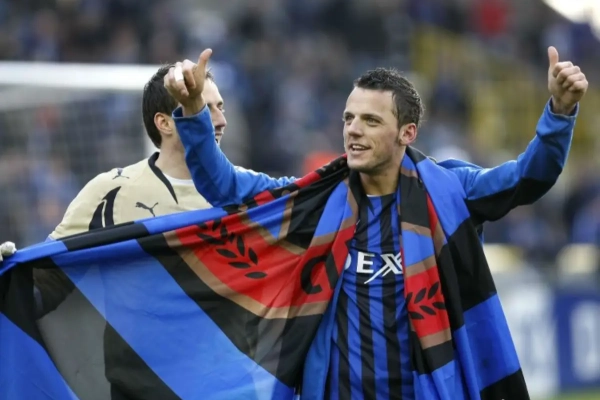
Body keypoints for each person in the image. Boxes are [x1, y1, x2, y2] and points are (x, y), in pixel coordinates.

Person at [163, 48, 587, 399]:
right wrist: (194, 109)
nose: (353, 131)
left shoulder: (450, 191)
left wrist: (560, 112)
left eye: (371, 121)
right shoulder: (316, 201)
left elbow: (526, 178)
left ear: (407, 133)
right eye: (349, 118)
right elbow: (225, 186)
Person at [0, 64, 227, 257]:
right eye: (203, 109)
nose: (221, 121)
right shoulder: (110, 193)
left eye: (220, 107)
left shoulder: (240, 193)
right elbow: (47, 272)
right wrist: (9, 271)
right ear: (165, 123)